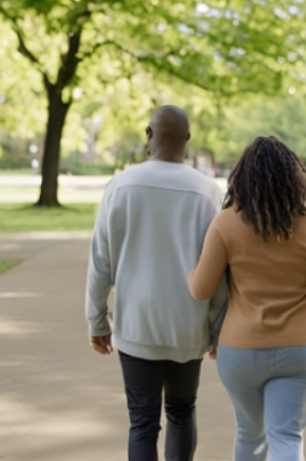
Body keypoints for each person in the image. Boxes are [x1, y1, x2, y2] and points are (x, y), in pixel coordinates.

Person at [85, 105, 227, 461]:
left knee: (142, 422)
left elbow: (100, 261)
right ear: (188, 139)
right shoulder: (209, 192)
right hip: (188, 325)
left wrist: (97, 319)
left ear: (148, 133)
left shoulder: (120, 186)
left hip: (136, 325)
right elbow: (222, 269)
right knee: (182, 412)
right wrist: (218, 328)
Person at [187, 136, 306, 461]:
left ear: (241, 178)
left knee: (249, 433)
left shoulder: (225, 224)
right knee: (286, 435)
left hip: (239, 351)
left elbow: (201, 289)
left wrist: (190, 274)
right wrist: (295, 308)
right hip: (299, 350)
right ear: (295, 177)